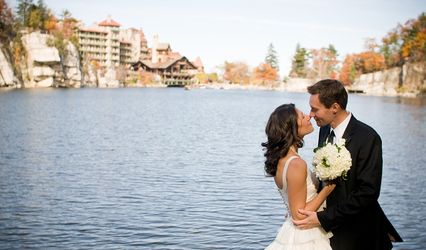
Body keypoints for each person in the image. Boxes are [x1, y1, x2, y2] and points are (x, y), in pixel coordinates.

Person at [293, 79, 402, 250]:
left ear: (335, 108)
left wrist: (323, 218)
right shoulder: (324, 130)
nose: (311, 114)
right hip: (330, 232)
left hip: (358, 234)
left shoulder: (367, 137)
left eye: (315, 109)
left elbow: (368, 193)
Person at [262, 103, 336, 249]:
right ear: (292, 128)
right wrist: (328, 189)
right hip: (305, 236)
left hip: (295, 231)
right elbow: (299, 216)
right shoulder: (296, 164)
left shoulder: (283, 159)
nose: (309, 116)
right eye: (303, 116)